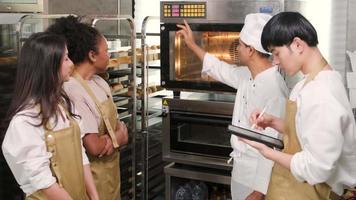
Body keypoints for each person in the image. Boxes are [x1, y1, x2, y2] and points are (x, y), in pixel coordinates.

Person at [245, 11, 356, 200]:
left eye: (276, 53)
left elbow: (317, 168)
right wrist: (272, 122)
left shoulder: (322, 92)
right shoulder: (307, 84)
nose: (275, 62)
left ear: (297, 45)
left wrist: (267, 153)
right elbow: (306, 130)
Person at [177, 13, 289, 200]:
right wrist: (193, 45)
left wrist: (259, 191)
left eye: (240, 44)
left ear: (251, 50)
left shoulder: (274, 88)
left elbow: (272, 144)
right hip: (241, 169)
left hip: (257, 177)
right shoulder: (248, 75)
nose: (237, 48)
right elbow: (221, 70)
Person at [1, 32, 98, 200]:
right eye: (66, 58)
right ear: (49, 65)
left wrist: (94, 196)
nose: (72, 64)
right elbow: (45, 184)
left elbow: (80, 155)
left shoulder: (64, 107)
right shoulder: (25, 122)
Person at [46, 16, 128, 200]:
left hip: (110, 173)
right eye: (106, 50)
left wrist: (111, 140)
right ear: (92, 55)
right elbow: (94, 146)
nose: (110, 55)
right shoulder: (73, 89)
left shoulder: (99, 82)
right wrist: (118, 138)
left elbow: (114, 132)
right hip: (93, 177)